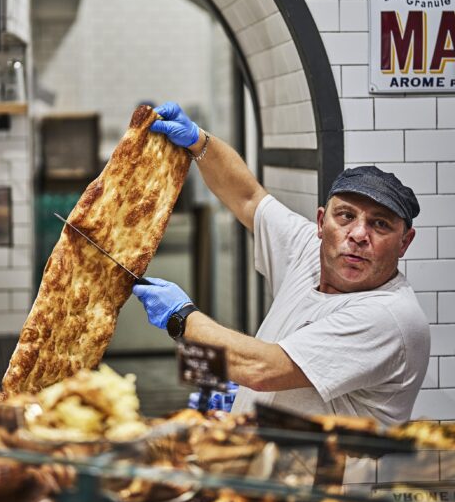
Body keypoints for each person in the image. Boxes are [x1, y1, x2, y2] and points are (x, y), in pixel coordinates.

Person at [132, 102, 430, 426]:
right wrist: (199, 143)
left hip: (331, 475)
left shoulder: (389, 317)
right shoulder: (310, 253)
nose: (358, 234)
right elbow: (247, 197)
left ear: (405, 242)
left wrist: (181, 317)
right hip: (271, 462)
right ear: (321, 222)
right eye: (346, 216)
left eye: (380, 225)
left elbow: (262, 370)